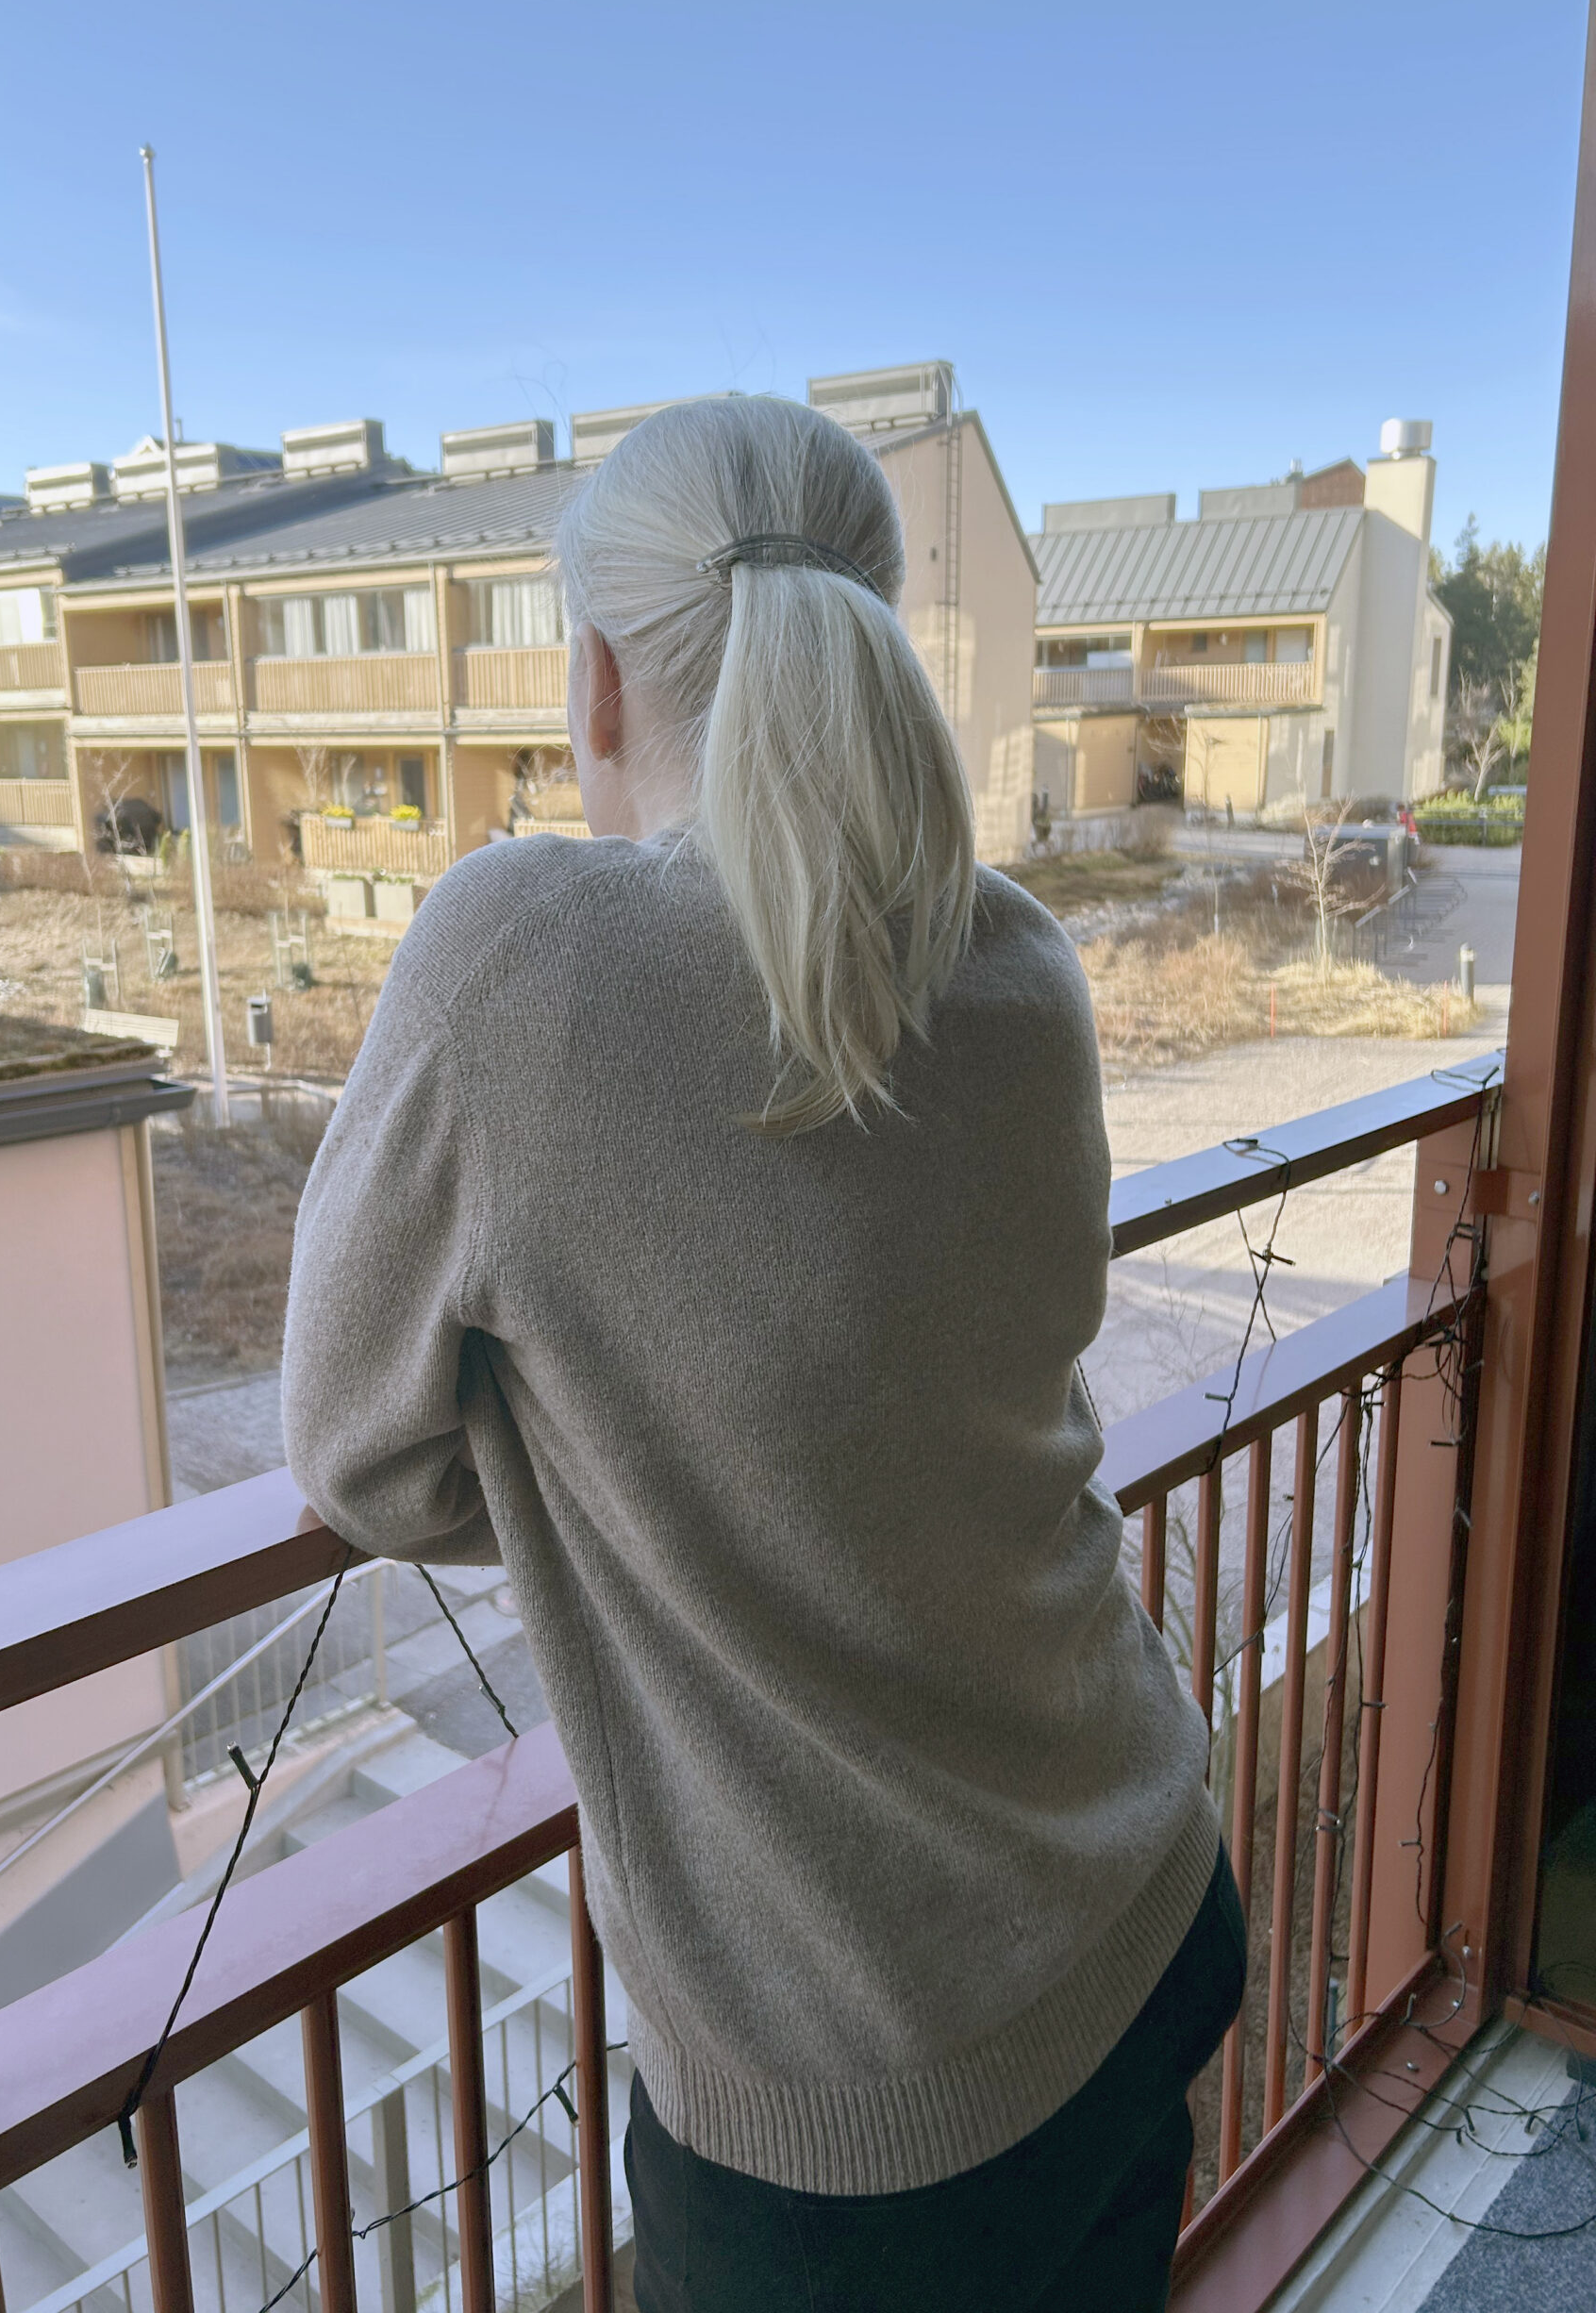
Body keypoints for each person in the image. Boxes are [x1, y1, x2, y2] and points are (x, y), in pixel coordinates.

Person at [282, 394, 1243, 2311]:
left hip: (854, 2118)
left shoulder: (514, 961)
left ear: (599, 679)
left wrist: (631, 1458)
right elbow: (973, 1378)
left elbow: (350, 1452)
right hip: (1144, 1903)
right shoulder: (1023, 966)